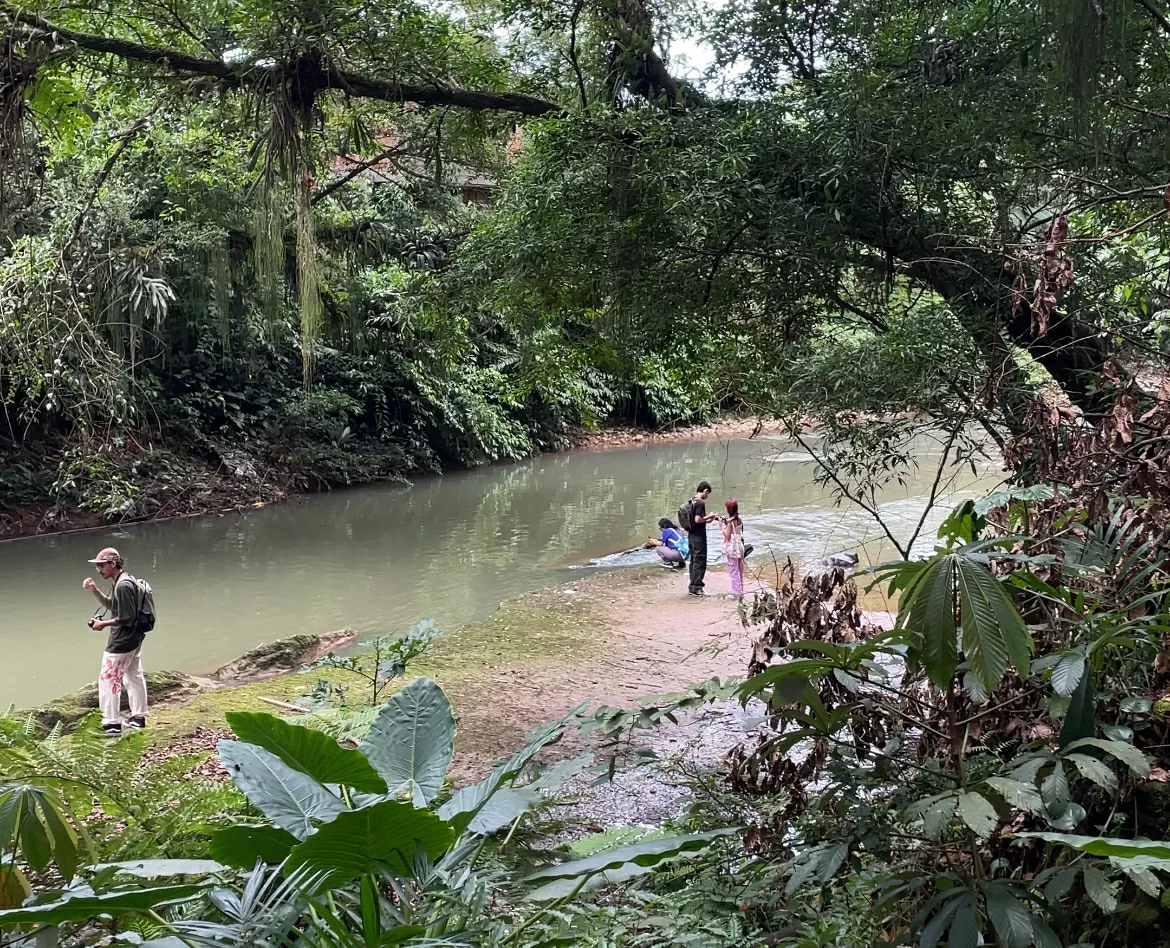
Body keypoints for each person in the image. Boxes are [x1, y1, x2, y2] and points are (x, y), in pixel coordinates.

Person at [82, 547, 149, 736]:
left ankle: (111, 723)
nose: (99, 570)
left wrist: (103, 624)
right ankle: (138, 718)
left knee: (108, 679)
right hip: (134, 640)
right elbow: (114, 606)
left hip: (122, 642)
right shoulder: (123, 581)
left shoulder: (123, 585)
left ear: (113, 563)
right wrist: (94, 590)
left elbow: (126, 618)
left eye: (101, 566)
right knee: (134, 676)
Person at [682, 480, 717, 596]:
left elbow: (695, 520)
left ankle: (692, 586)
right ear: (705, 491)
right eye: (708, 494)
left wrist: (707, 519)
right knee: (700, 560)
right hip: (699, 536)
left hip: (691, 534)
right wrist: (710, 516)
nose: (707, 496)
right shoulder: (700, 503)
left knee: (693, 560)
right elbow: (698, 520)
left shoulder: (692, 501)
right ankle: (697, 587)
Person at [722, 499, 746, 597]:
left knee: (733, 570)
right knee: (740, 570)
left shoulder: (730, 523)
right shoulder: (739, 518)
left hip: (733, 548)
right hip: (740, 545)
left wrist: (721, 526)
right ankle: (741, 590)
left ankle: (736, 592)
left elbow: (727, 535)